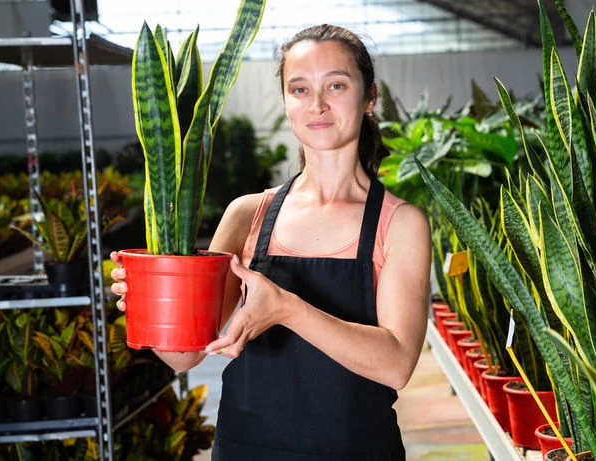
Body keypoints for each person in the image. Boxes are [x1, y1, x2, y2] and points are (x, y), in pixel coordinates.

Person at [110, 24, 431, 460]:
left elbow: (396, 365)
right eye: (299, 89)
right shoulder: (248, 214)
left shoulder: (399, 223)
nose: (317, 104)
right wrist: (153, 301)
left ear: (369, 96)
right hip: (248, 449)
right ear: (285, 101)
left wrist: (286, 308)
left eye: (336, 85)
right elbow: (184, 358)